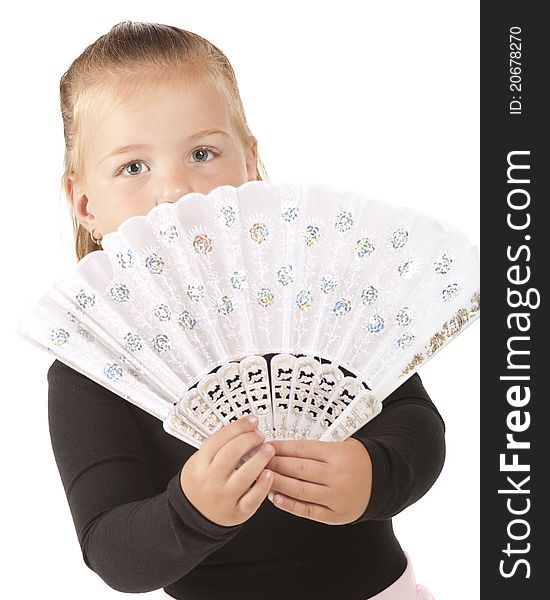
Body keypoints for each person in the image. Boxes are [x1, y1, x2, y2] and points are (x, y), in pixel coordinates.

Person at [48, 21, 444, 599]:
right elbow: (111, 550)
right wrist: (190, 512)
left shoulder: (318, 302)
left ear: (251, 163)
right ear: (84, 203)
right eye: (134, 168)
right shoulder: (94, 367)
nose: (175, 191)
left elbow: (418, 426)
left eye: (202, 153)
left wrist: (374, 473)